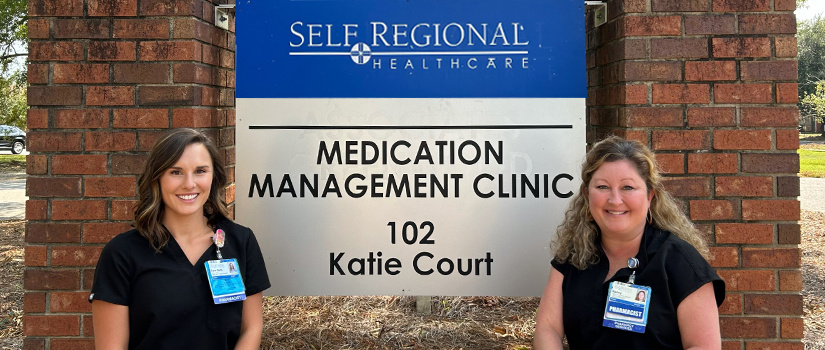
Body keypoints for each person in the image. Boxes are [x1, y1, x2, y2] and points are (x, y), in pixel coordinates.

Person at [534, 136, 725, 349]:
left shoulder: (681, 262)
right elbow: (547, 328)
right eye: (603, 186)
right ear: (587, 195)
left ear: (650, 196)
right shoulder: (573, 256)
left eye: (628, 187)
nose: (615, 200)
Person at [89, 128, 271, 350]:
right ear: (157, 178)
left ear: (213, 177)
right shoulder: (122, 253)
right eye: (176, 172)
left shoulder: (241, 241)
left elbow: (251, 328)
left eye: (200, 171)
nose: (189, 183)